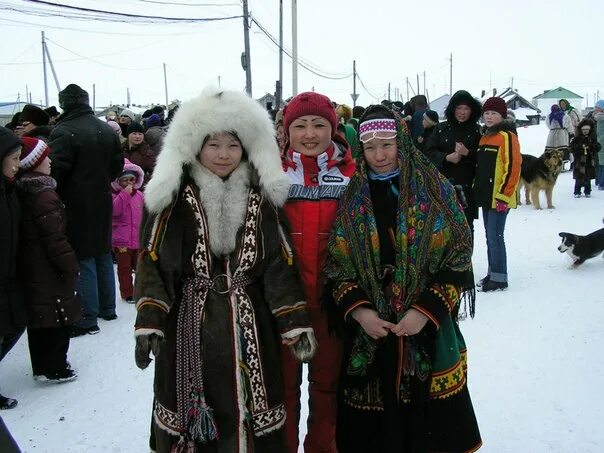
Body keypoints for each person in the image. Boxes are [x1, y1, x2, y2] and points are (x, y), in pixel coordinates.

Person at [133, 88, 316, 453]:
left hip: (252, 325)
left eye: (232, 146)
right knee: (195, 421)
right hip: (189, 323)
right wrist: (150, 317)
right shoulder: (175, 198)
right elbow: (154, 259)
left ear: (246, 149)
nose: (222, 155)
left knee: (253, 412)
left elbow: (279, 263)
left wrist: (292, 320)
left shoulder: (259, 197)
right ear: (195, 146)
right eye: (213, 145)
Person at [324, 104, 481, 452]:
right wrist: (362, 313)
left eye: (387, 144)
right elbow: (336, 265)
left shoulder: (435, 190)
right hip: (372, 331)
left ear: (403, 143)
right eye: (370, 147)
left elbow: (458, 257)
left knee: (430, 434)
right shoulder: (353, 198)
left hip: (426, 329)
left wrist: (423, 312)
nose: (379, 155)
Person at [281, 92, 355, 453]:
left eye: (319, 125)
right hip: (282, 308)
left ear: (333, 128)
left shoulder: (352, 176)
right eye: (300, 125)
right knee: (281, 391)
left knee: (328, 389)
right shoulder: (269, 175)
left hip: (332, 306)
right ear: (287, 130)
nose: (310, 134)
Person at [48, 83, 123, 336]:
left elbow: (56, 169)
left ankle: (88, 316)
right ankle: (108, 307)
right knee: (102, 252)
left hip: (76, 201)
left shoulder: (65, 131)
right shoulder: (105, 129)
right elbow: (117, 166)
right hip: (102, 198)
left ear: (65, 103)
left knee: (85, 257)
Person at [16, 137, 80, 383]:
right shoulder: (43, 195)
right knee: (58, 312)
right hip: (48, 266)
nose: (50, 161)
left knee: (41, 315)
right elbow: (55, 238)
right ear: (34, 163)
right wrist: (69, 265)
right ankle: (56, 366)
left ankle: (42, 364)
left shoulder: (23, 189)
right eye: (45, 158)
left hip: (33, 265)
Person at [474, 97, 521, 292]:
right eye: (486, 113)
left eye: (494, 113)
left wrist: (503, 195)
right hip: (486, 196)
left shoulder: (507, 136)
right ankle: (493, 273)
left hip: (499, 197)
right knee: (489, 236)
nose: (489, 116)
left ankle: (500, 278)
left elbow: (513, 167)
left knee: (496, 236)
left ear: (502, 115)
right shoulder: (485, 137)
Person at [425, 90, 482, 235]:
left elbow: (483, 158)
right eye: (459, 108)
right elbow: (428, 153)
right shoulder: (441, 129)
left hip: (467, 186)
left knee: (467, 226)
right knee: (443, 227)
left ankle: (466, 257)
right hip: (444, 184)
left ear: (472, 110)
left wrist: (467, 153)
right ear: (452, 109)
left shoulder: (477, 131)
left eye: (466, 108)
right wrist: (446, 157)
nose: (462, 112)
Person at [0, 127, 27, 410]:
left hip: (9, 273)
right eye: (15, 158)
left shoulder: (11, 189)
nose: (18, 164)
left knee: (15, 325)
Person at [111, 159, 144, 303]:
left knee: (140, 267)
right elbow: (115, 211)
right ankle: (127, 292)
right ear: (119, 181)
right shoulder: (115, 196)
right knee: (124, 268)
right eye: (125, 180)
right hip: (121, 240)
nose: (129, 183)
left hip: (137, 238)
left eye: (132, 179)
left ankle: (141, 290)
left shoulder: (140, 195)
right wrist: (124, 194)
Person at [570, 119, 600, 198]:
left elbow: (598, 146)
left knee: (588, 177)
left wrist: (591, 147)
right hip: (579, 161)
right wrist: (580, 147)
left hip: (589, 161)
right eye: (583, 129)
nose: (585, 131)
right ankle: (577, 191)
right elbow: (571, 147)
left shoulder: (592, 138)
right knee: (578, 178)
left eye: (587, 129)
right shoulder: (577, 139)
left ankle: (587, 191)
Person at [123, 122, 156, 186]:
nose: (137, 136)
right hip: (120, 190)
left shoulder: (147, 153)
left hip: (139, 190)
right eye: (134, 134)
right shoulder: (120, 150)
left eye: (140, 134)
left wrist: (141, 181)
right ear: (128, 135)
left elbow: (155, 173)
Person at [594, 100, 604, 190]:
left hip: (600, 142)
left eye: (598, 108)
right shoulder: (602, 117)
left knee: (601, 164)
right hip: (602, 142)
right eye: (596, 107)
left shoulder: (597, 117)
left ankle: (599, 182)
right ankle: (602, 183)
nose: (596, 109)